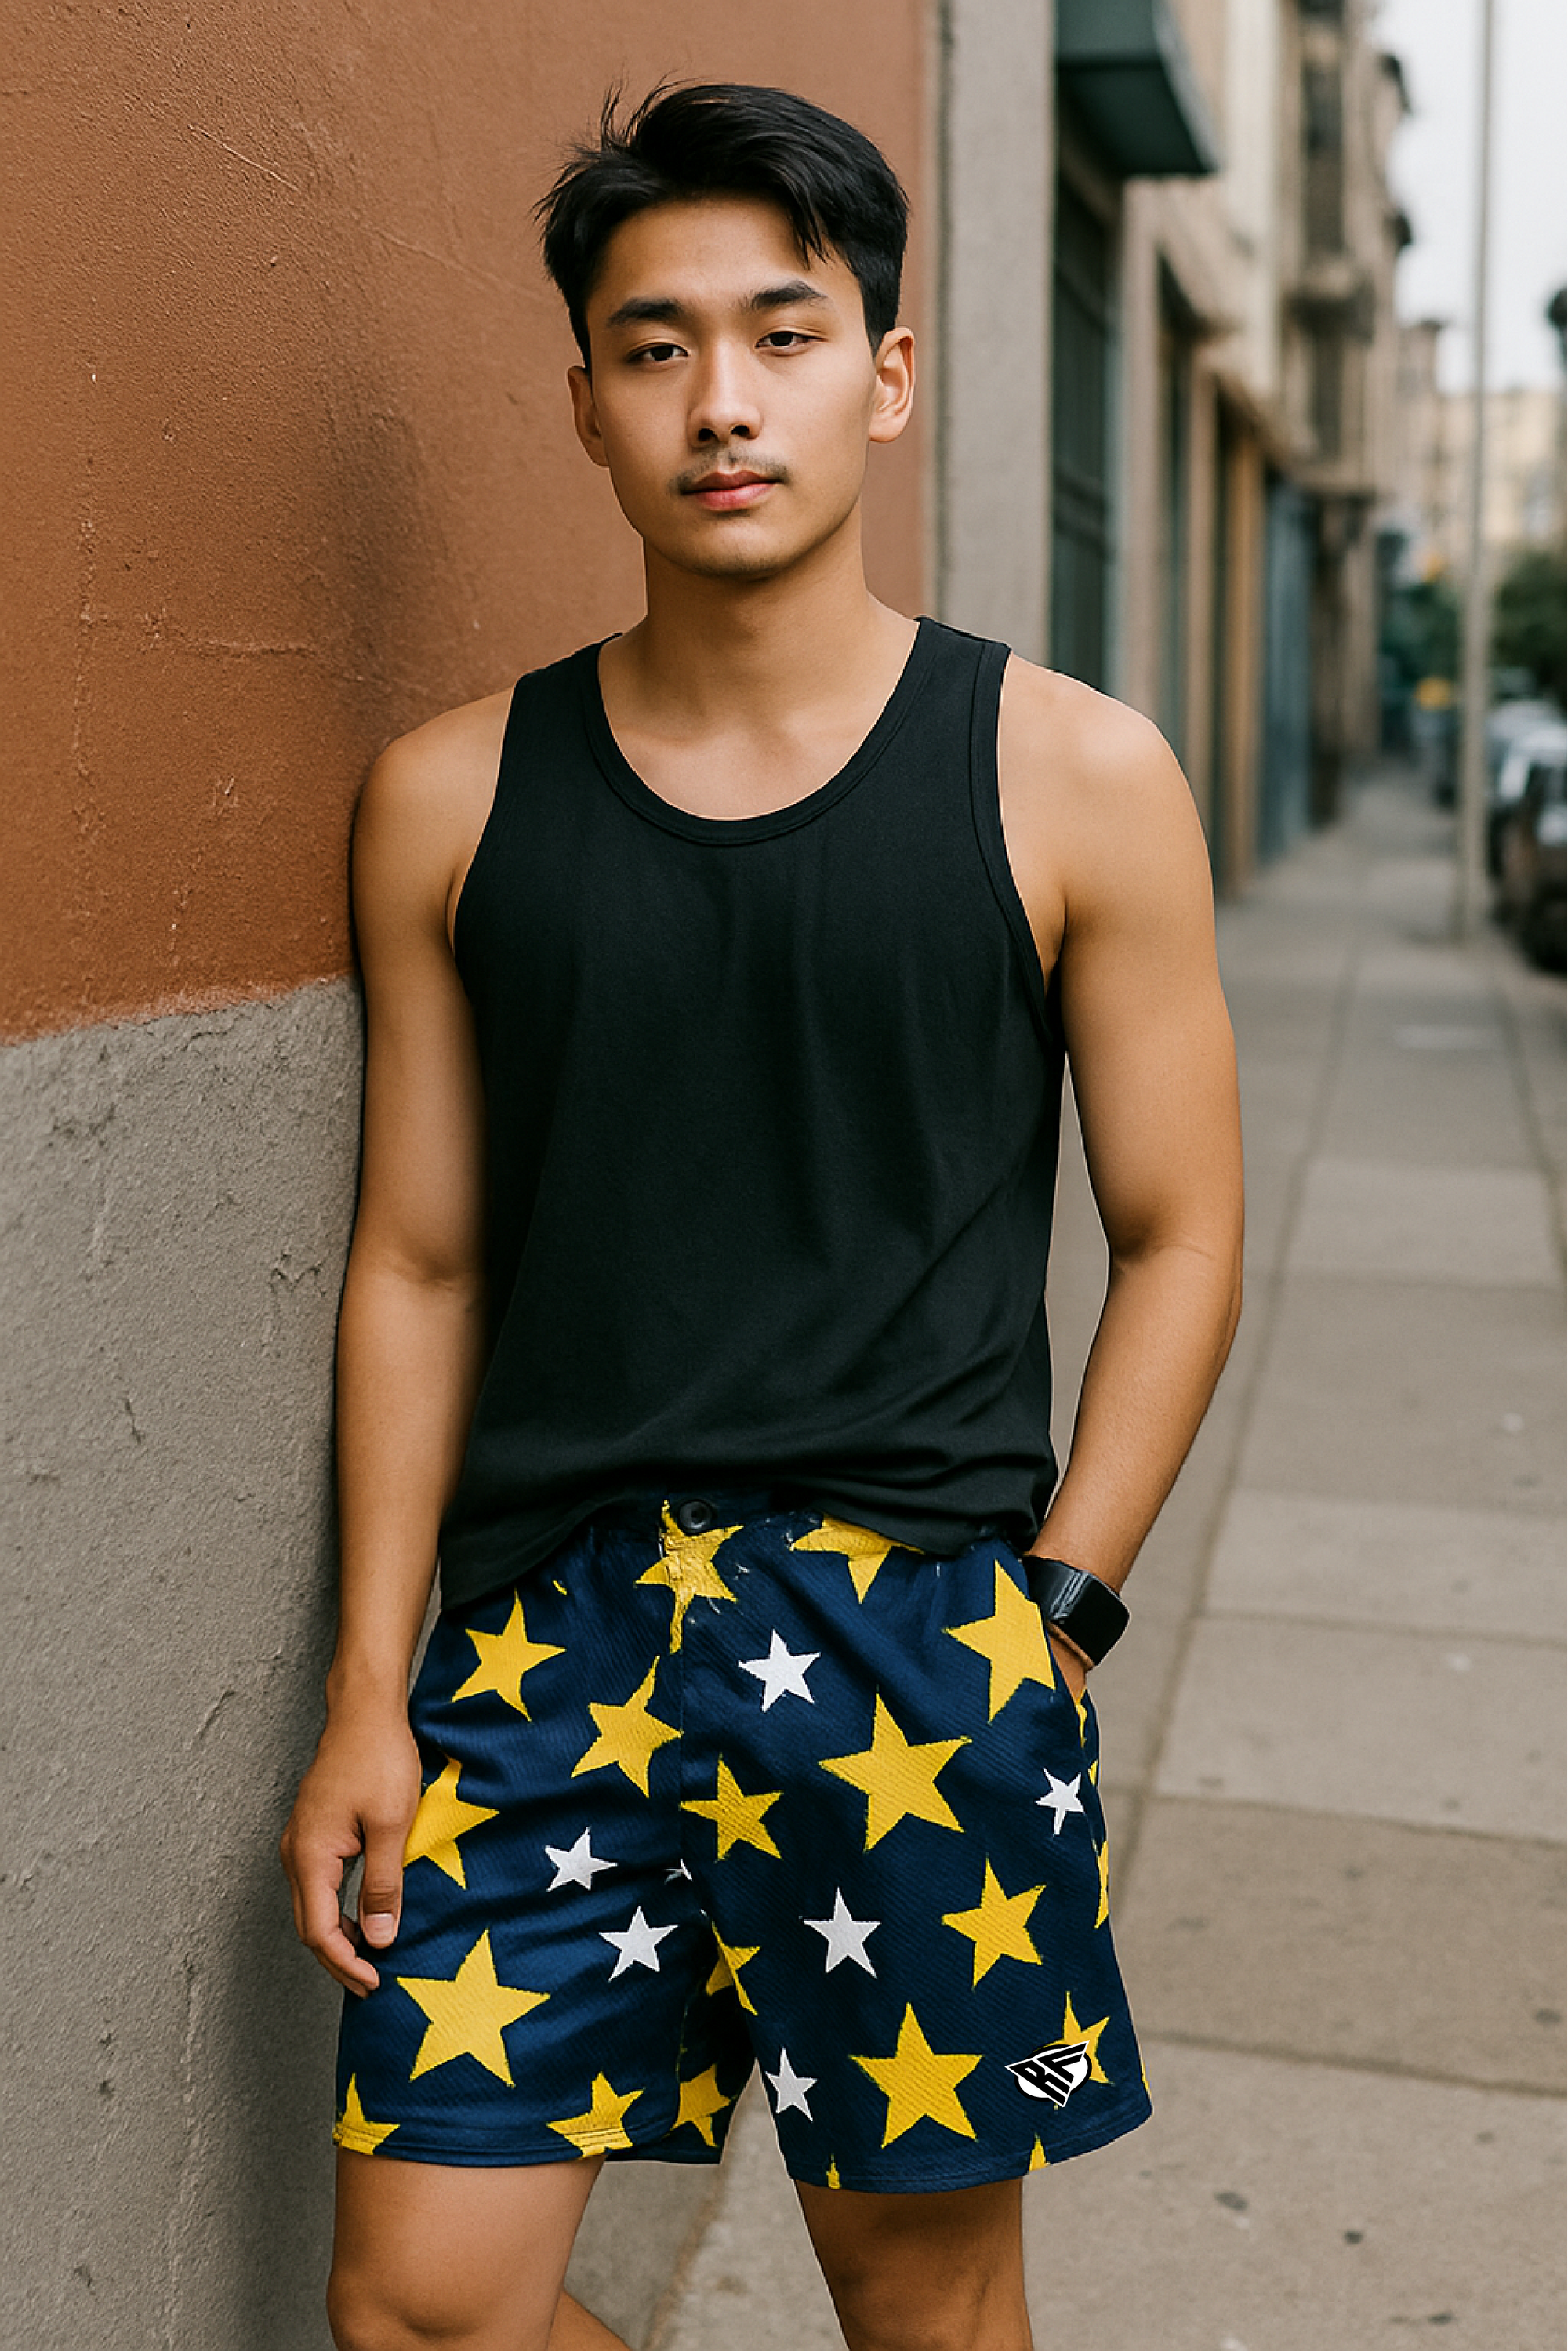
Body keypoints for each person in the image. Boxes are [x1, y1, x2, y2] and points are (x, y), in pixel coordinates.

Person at [281, 81, 1243, 2351]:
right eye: (656, 345)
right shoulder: (449, 796)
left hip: (918, 1648)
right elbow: (420, 1260)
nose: (725, 399)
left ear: (886, 378)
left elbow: (1182, 1231)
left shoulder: (1076, 776)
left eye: (786, 333)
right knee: (421, 2307)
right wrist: (364, 1686)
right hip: (542, 1647)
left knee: (927, 2315)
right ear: (590, 408)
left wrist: (1062, 1618)